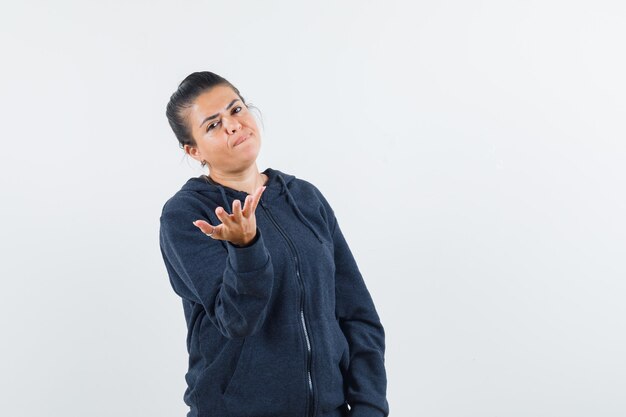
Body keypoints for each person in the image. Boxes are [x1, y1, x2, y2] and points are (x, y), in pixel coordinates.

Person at [159, 71, 389, 417]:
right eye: (212, 125)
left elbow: (358, 315)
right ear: (193, 150)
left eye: (236, 110)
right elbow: (237, 321)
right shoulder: (189, 214)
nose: (233, 125)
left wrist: (369, 408)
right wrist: (245, 247)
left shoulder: (304, 198)